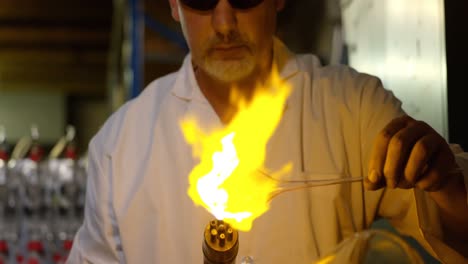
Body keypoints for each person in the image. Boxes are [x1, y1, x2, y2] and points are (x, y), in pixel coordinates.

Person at [67, 0, 468, 263]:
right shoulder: (119, 145)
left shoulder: (352, 106)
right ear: (173, 3)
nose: (224, 23)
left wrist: (447, 185)